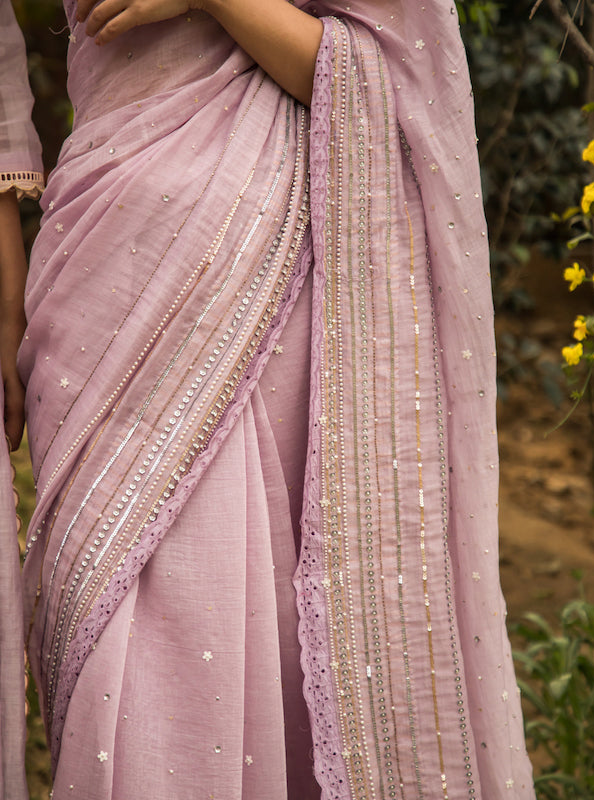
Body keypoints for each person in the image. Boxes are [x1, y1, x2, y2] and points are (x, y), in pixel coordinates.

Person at [0, 0, 537, 797]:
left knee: (265, 639)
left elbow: (389, 78)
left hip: (272, 290)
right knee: (105, 640)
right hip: (98, 282)